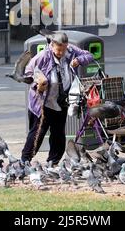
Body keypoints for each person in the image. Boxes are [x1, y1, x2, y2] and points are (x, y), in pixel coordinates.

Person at [21, 32, 94, 165]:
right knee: (37, 133)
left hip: (61, 101)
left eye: (63, 49)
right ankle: (25, 160)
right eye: (58, 49)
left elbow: (90, 55)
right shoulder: (43, 56)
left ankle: (53, 161)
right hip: (42, 103)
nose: (61, 52)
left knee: (58, 133)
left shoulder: (71, 50)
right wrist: (38, 83)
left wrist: (79, 60)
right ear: (52, 45)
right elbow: (28, 73)